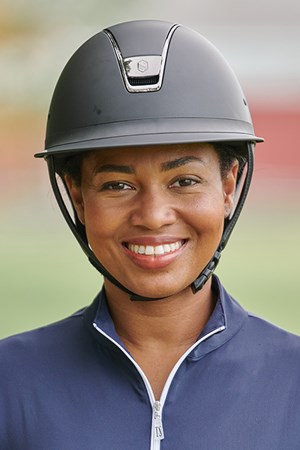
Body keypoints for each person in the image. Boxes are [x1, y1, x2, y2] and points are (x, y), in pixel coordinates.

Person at [1, 19, 299, 450]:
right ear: (78, 199)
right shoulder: (9, 381)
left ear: (229, 187)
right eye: (117, 185)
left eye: (184, 181)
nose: (154, 216)